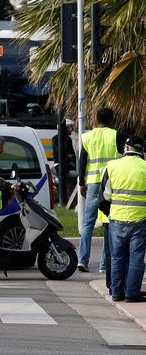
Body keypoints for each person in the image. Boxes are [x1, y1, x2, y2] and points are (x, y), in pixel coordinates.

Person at [78, 108, 127, 273]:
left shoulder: (86, 137)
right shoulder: (117, 135)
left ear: (96, 119)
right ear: (112, 119)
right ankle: (104, 264)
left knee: (88, 223)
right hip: (110, 183)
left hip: (92, 183)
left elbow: (82, 161)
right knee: (108, 221)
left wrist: (81, 182)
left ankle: (82, 260)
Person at [98, 136, 146, 302]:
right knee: (136, 258)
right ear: (142, 151)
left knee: (117, 258)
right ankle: (132, 293)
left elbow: (102, 198)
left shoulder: (111, 166)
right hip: (141, 221)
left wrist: (110, 214)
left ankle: (117, 292)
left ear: (126, 148)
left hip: (117, 220)